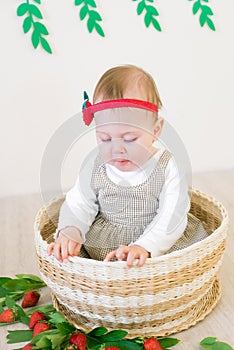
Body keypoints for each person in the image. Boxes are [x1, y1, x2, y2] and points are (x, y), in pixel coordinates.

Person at [47, 64, 208, 268]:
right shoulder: (96, 164)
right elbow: (79, 201)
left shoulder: (167, 166)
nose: (117, 149)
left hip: (156, 244)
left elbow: (172, 215)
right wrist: (71, 230)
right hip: (103, 246)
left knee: (183, 262)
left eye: (130, 138)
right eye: (105, 138)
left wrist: (145, 246)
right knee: (72, 256)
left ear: (156, 130)